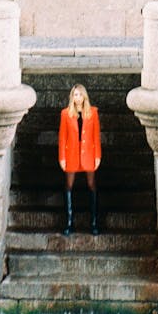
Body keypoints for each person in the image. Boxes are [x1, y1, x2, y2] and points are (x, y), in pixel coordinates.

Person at [58, 83, 101, 236]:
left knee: (91, 184)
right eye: (75, 95)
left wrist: (97, 156)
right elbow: (62, 137)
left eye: (80, 94)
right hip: (71, 154)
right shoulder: (65, 114)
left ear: (84, 96)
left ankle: (94, 221)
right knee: (69, 185)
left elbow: (96, 136)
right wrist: (62, 157)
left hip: (88, 153)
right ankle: (69, 222)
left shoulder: (93, 112)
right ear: (72, 97)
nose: (77, 98)